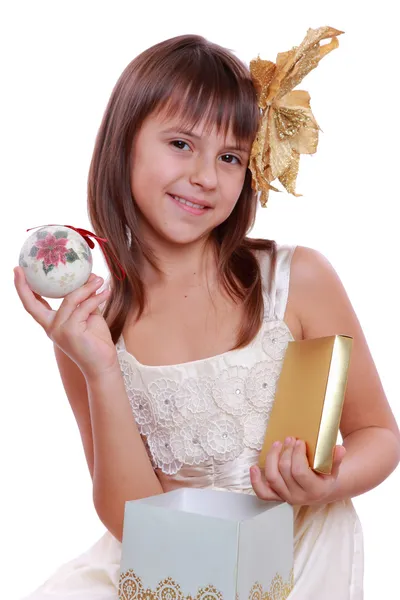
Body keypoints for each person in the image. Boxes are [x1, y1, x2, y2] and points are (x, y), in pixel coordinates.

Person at [14, 27, 400, 600]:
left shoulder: (297, 283)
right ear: (124, 142)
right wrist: (99, 367)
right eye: (180, 144)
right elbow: (130, 520)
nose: (204, 176)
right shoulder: (93, 326)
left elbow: (377, 432)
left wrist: (328, 482)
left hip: (295, 558)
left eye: (229, 157)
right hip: (171, 573)